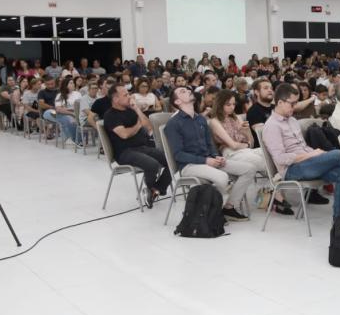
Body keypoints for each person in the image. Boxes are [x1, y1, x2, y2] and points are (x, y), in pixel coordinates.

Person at [165, 86, 258, 221]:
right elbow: (178, 155)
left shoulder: (201, 119)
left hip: (209, 160)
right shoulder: (173, 124)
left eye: (187, 89)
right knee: (222, 177)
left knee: (249, 169)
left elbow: (210, 145)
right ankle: (214, 212)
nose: (188, 90)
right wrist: (206, 161)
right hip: (189, 165)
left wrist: (215, 156)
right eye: (182, 92)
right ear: (177, 102)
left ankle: (229, 207)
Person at [262, 84, 340, 219]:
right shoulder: (272, 126)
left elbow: (302, 147)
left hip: (307, 163)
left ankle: (339, 218)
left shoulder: (292, 120)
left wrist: (317, 154)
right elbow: (280, 158)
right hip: (291, 170)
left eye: (296, 102)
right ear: (280, 102)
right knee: (338, 154)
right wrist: (312, 154)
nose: (295, 106)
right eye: (292, 104)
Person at [209, 89, 294, 215]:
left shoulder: (236, 117)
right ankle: (272, 193)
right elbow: (232, 144)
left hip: (246, 151)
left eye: (233, 104)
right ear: (220, 104)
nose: (232, 107)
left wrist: (246, 131)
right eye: (228, 104)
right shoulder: (215, 121)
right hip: (230, 154)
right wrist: (245, 144)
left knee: (275, 154)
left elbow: (252, 142)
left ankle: (271, 192)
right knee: (268, 162)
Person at [102, 85, 171, 207]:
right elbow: (124, 134)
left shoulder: (130, 110)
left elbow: (148, 126)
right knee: (153, 165)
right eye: (125, 95)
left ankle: (155, 189)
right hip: (124, 152)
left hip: (142, 147)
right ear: (116, 99)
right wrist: (138, 125)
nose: (129, 97)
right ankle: (152, 189)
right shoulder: (110, 115)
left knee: (172, 160)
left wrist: (137, 110)